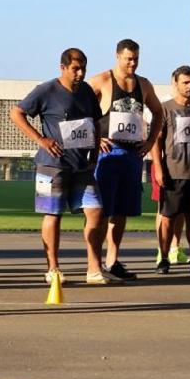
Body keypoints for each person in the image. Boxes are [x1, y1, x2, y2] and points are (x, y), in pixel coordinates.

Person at [11, 48, 119, 285]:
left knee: (96, 212)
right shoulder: (46, 90)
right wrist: (41, 139)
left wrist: (94, 152)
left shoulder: (88, 92)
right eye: (75, 69)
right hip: (53, 165)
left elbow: (95, 121)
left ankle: (93, 268)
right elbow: (16, 113)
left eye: (83, 68)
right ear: (63, 67)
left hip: (81, 166)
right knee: (54, 215)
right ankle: (53, 268)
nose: (80, 73)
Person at [88, 39, 163, 280]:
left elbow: (159, 112)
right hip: (108, 154)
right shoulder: (102, 80)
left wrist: (151, 142)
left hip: (132, 155)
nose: (132, 63)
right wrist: (94, 138)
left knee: (121, 212)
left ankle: (112, 260)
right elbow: (79, 109)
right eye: (128, 59)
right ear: (117, 56)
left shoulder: (143, 84)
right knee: (101, 212)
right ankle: (95, 263)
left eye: (136, 59)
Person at [151, 66, 190, 274]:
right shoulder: (165, 109)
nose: (189, 86)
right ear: (175, 83)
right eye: (185, 82)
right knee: (167, 218)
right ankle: (164, 258)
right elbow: (156, 142)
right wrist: (158, 169)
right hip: (172, 172)